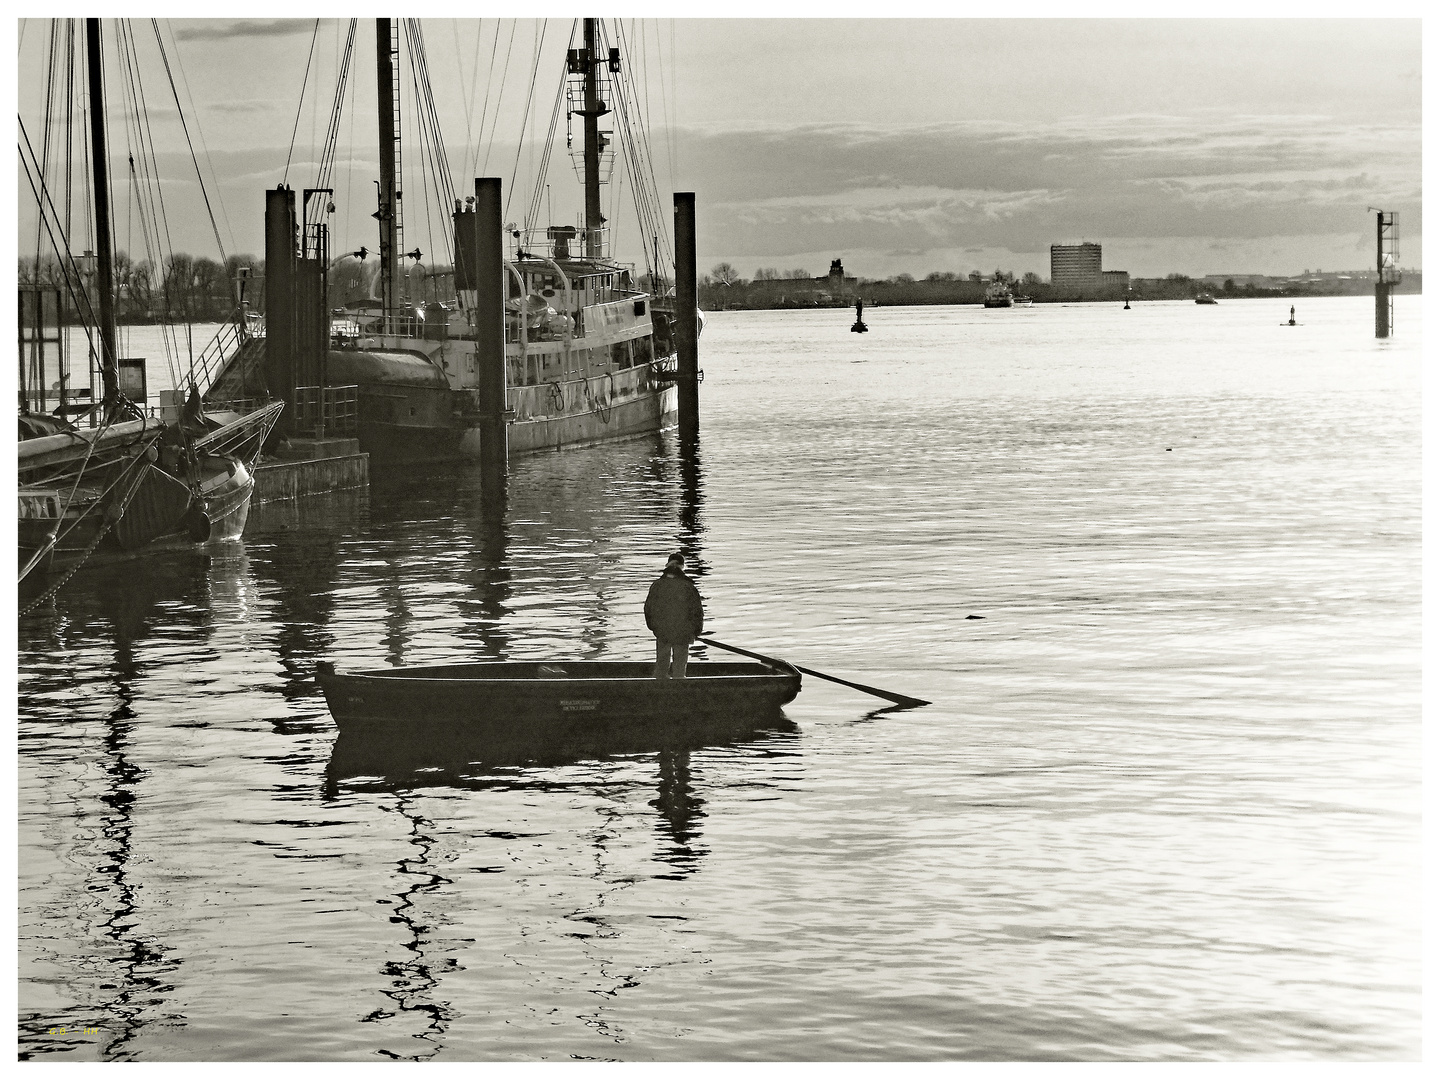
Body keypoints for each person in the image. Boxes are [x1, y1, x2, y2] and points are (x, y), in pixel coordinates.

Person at [644, 552, 704, 679]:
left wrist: (655, 628)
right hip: (683, 632)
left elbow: (648, 610)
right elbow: (697, 612)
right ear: (683, 567)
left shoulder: (657, 585)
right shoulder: (688, 586)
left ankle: (659, 690)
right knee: (679, 669)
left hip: (663, 632)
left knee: (661, 666)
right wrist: (696, 632)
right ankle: (679, 690)